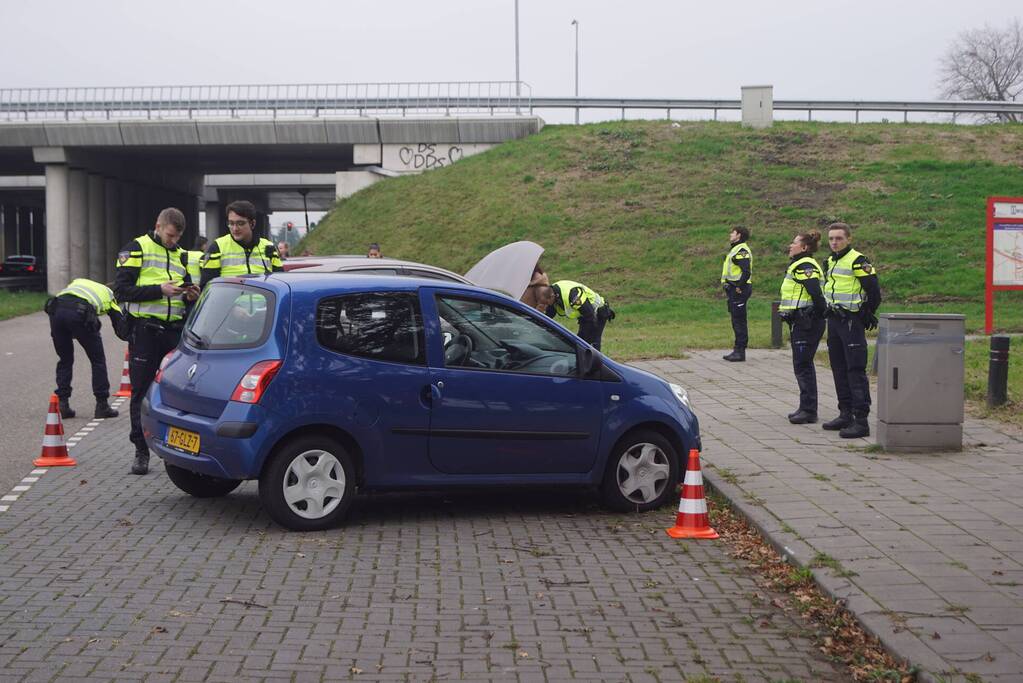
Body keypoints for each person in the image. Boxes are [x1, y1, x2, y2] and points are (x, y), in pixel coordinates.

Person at [113, 207, 199, 475]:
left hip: (173, 332)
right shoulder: (137, 248)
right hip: (146, 332)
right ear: (158, 226)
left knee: (177, 393)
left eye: (177, 237)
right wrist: (158, 291)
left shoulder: (179, 255)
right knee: (140, 393)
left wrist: (190, 293)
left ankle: (175, 450)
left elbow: (184, 287)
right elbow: (121, 290)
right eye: (170, 235)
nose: (173, 241)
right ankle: (141, 450)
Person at [822, 222, 882, 439]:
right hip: (835, 321)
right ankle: (845, 413)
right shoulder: (830, 261)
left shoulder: (858, 260)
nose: (835, 242)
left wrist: (866, 312)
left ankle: (861, 420)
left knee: (855, 369)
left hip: (851, 321)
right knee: (838, 368)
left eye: (839, 238)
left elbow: (873, 289)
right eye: (831, 239)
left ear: (849, 239)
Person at [45, 278, 125, 420]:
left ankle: (62, 404)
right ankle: (102, 405)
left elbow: (68, 304)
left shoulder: (80, 282)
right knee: (97, 360)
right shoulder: (110, 296)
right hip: (80, 312)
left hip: (56, 309)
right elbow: (120, 327)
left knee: (65, 359)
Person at [779, 230, 827, 425]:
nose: (790, 246)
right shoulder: (799, 264)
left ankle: (809, 410)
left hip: (806, 322)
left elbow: (816, 293)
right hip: (800, 321)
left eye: (794, 243)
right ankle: (805, 406)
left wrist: (813, 314)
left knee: (803, 365)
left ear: (805, 247)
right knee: (802, 364)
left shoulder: (805, 265)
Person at [200, 200, 283, 288]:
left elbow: (281, 282)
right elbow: (206, 287)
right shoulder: (218, 247)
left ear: (252, 224)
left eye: (240, 223)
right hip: (229, 301)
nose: (235, 228)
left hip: (263, 302)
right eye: (231, 223)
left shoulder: (268, 247)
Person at [542, 280, 615, 350]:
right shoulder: (552, 292)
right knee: (581, 343)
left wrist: (585, 336)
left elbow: (590, 315)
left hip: (597, 311)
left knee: (591, 342)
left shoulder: (572, 295)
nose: (546, 305)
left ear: (552, 296)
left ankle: (595, 362)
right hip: (585, 315)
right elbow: (549, 314)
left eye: (547, 302)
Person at [721, 226, 753, 362]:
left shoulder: (741, 250)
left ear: (738, 235)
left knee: (739, 321)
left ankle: (740, 351)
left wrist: (739, 286)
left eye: (733, 233)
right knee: (736, 320)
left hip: (739, 289)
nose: (730, 235)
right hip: (734, 289)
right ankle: (737, 349)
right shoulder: (735, 249)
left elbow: (746, 271)